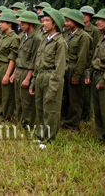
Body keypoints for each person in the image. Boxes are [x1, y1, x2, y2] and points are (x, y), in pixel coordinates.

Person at [29, 8, 67, 149]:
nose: (43, 23)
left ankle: (48, 139)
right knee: (40, 108)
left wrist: (52, 89)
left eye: (47, 20)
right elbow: (37, 63)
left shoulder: (60, 43)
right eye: (43, 20)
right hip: (40, 76)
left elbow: (59, 69)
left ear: (55, 23)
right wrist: (33, 81)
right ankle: (40, 135)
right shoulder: (45, 39)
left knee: (51, 110)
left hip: (51, 77)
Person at [61, 10, 92, 131]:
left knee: (75, 99)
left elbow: (83, 59)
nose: (66, 23)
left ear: (76, 22)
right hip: (66, 67)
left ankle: (72, 124)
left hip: (75, 68)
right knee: (64, 96)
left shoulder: (84, 37)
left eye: (68, 21)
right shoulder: (67, 34)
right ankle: (63, 120)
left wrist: (77, 76)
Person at [11, 11, 42, 129]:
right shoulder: (24, 37)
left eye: (23, 23)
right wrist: (14, 73)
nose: (21, 25)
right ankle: (21, 123)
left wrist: (28, 78)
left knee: (27, 102)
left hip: (27, 72)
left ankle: (27, 125)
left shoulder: (36, 39)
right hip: (19, 70)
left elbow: (34, 60)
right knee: (18, 100)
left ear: (31, 24)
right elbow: (19, 57)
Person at [0, 11, 20, 122]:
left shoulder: (15, 38)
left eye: (3, 22)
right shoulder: (3, 37)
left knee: (6, 95)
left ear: (10, 24)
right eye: (0, 22)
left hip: (7, 66)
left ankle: (6, 117)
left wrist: (7, 75)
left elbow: (13, 58)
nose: (0, 24)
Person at [85, 8, 105, 145]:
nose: (97, 22)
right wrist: (89, 73)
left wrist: (104, 81)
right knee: (98, 110)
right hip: (97, 75)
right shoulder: (101, 37)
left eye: (100, 19)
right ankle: (102, 137)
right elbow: (95, 59)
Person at [80, 5, 102, 123]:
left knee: (88, 94)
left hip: (89, 64)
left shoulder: (94, 30)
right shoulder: (79, 29)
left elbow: (95, 50)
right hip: (80, 64)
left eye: (86, 14)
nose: (84, 17)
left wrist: (91, 68)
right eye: (82, 14)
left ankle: (87, 118)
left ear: (90, 17)